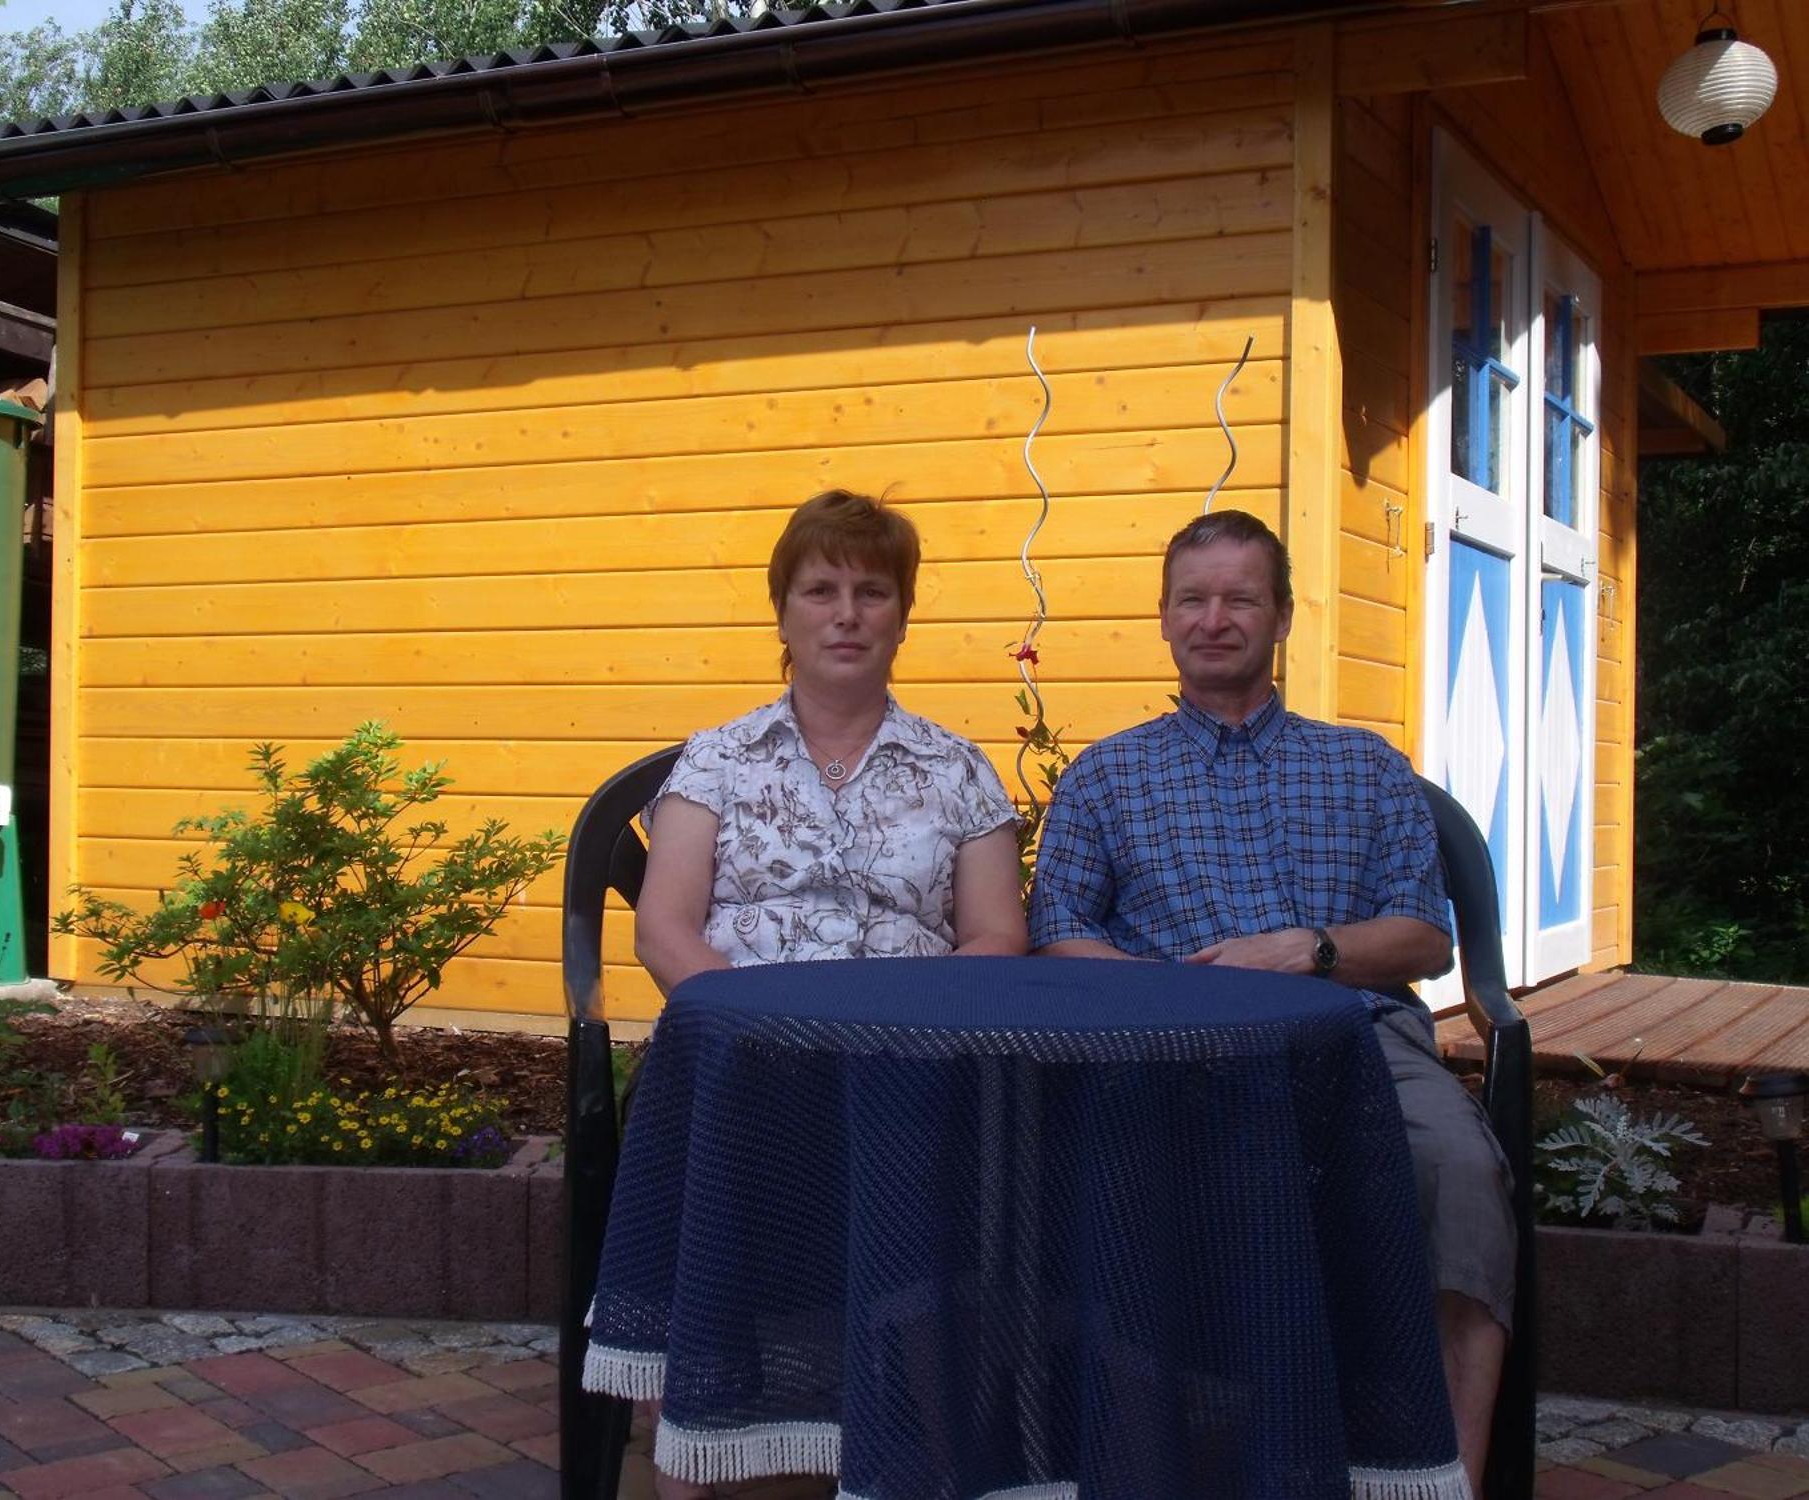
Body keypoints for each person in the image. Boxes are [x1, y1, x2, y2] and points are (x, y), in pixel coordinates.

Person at [1027, 508, 1514, 1493]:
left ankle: (1447, 1477)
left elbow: (1423, 934)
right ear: (1163, 620)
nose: (1215, 618)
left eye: (1239, 598)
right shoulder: (1103, 778)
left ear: (1281, 616)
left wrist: (1311, 950)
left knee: (1459, 1168)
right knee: (1101, 1185)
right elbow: (1055, 932)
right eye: (1192, 600)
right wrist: (1173, 999)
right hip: (1170, 1061)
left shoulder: (1367, 767)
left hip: (1359, 1045)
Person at [632, 488, 1028, 1498]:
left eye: (871, 591)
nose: (846, 612)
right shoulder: (715, 759)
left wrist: (903, 1030)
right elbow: (663, 927)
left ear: (901, 614)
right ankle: (695, 1444)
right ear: (783, 613)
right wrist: (755, 1027)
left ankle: (923, 1447)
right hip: (743, 1061)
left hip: (911, 1064)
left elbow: (995, 935)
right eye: (820, 589)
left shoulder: (958, 769)